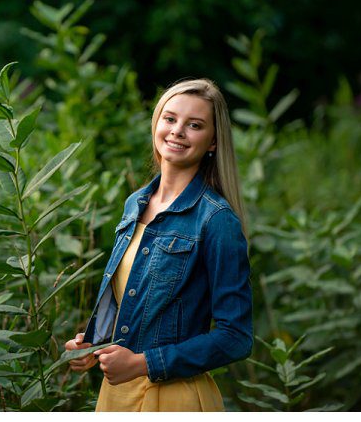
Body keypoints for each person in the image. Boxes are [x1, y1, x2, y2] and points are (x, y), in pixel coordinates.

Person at [66, 78, 255, 409]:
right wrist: (94, 345)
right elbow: (139, 308)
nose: (177, 131)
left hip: (174, 397)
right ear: (157, 124)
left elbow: (236, 338)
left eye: (194, 125)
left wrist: (142, 363)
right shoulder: (135, 204)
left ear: (212, 142)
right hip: (117, 396)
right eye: (170, 119)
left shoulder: (216, 220)